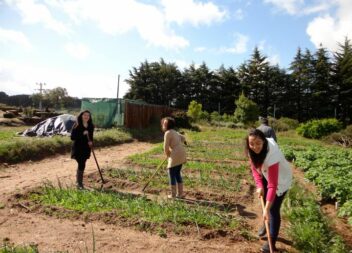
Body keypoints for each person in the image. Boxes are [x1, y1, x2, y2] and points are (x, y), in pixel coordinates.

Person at [245, 129, 292, 253]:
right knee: (267, 207)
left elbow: (272, 185)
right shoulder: (251, 150)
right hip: (266, 174)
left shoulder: (272, 156)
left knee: (273, 209)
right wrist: (259, 185)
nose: (255, 147)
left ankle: (271, 243)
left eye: (258, 143)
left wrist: (266, 209)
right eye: (251, 144)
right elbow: (254, 169)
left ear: (264, 142)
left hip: (280, 180)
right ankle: (266, 224)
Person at [161, 117, 187, 199]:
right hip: (181, 153)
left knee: (171, 174)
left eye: (165, 123)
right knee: (177, 173)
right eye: (164, 123)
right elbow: (183, 138)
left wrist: (168, 155)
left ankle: (173, 195)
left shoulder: (167, 133)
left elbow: (165, 147)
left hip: (176, 154)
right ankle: (180, 194)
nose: (164, 124)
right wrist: (184, 142)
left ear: (169, 125)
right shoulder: (175, 132)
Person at [71, 110, 94, 189]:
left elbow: (91, 137)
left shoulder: (91, 126)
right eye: (85, 115)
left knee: (82, 163)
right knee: (81, 163)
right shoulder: (77, 125)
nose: (86, 117)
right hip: (78, 148)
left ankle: (78, 180)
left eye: (88, 115)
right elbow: (72, 137)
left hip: (86, 148)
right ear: (81, 116)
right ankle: (79, 183)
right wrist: (82, 134)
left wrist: (91, 142)